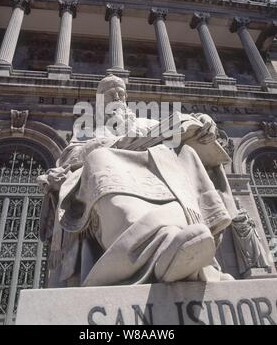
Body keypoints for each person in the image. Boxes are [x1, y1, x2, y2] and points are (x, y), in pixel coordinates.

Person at [38, 74, 237, 287]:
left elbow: (176, 129)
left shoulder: (144, 123)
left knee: (185, 152)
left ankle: (190, 254)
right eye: (110, 94)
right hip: (115, 175)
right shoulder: (89, 131)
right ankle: (157, 246)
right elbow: (70, 157)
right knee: (98, 158)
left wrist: (200, 122)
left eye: (121, 94)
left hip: (156, 175)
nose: (117, 97)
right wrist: (115, 144)